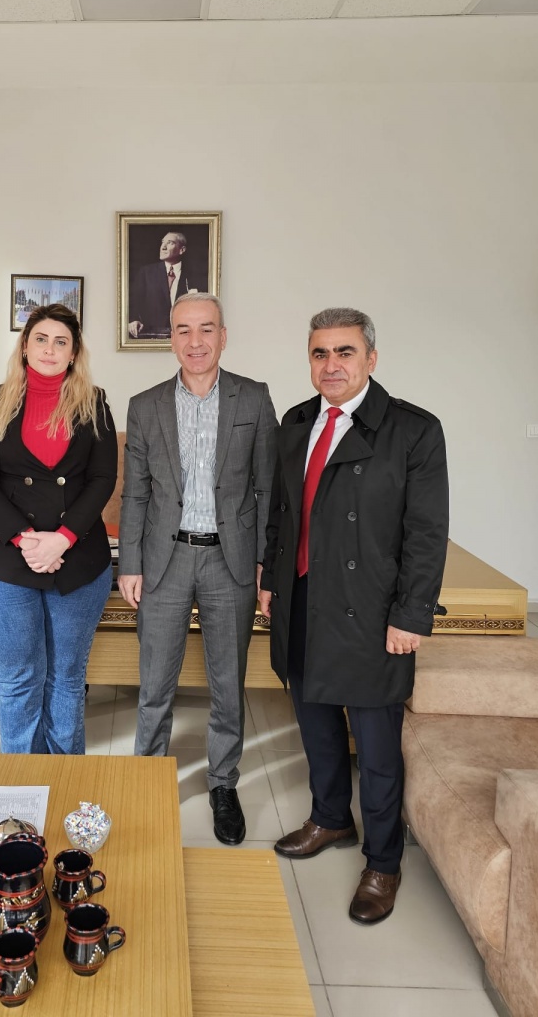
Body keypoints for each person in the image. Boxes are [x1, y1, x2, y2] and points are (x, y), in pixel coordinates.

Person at [259, 307, 449, 924]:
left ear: (371, 358)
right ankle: (330, 818)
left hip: (371, 608)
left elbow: (427, 533)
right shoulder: (296, 422)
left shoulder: (413, 430)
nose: (331, 364)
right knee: (314, 721)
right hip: (302, 599)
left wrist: (412, 614)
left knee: (377, 745)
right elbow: (281, 513)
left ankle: (384, 862)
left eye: (345, 352)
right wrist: (270, 580)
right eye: (320, 353)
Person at [118, 294, 278, 844]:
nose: (195, 340)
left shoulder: (253, 398)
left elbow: (268, 488)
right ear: (171, 339)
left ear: (223, 336)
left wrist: (265, 562)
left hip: (230, 561)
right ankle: (147, 778)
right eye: (184, 330)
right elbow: (136, 493)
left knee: (227, 684)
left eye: (206, 329)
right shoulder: (145, 405)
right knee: (154, 684)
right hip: (164, 560)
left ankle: (223, 784)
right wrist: (130, 563)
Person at [0, 303, 117, 755]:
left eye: (61, 341)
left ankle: (65, 777)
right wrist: (25, 539)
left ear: (74, 353)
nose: (50, 349)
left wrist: (63, 539)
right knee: (18, 680)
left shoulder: (94, 403)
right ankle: (22, 782)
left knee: (67, 678)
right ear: (25, 347)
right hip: (4, 562)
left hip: (78, 561)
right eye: (41, 339)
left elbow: (102, 479)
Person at [128, 230, 202, 339]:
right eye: (162, 242)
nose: (163, 247)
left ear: (182, 250)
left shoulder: (194, 275)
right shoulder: (146, 273)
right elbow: (134, 302)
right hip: (151, 336)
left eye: (170, 243)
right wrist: (134, 320)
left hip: (184, 337)